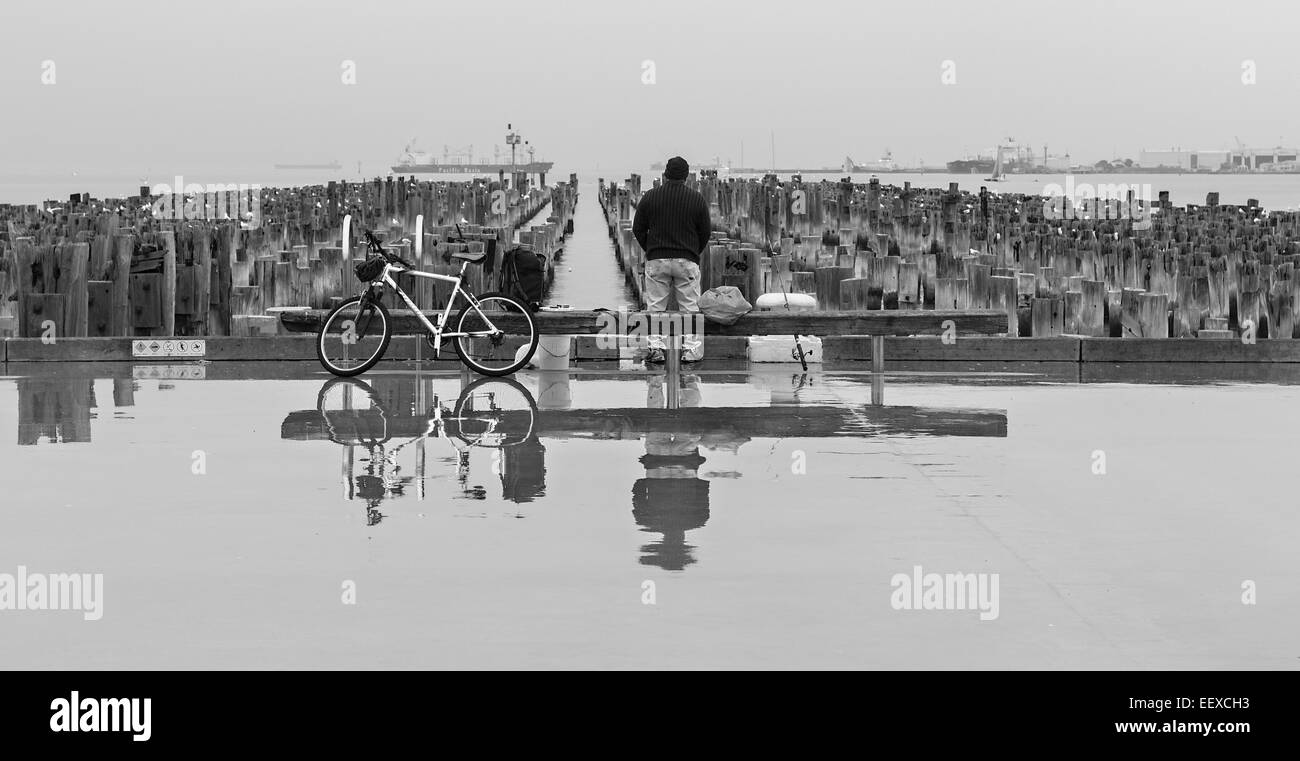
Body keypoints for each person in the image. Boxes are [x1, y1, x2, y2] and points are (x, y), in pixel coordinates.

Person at [632, 156, 712, 364]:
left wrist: (651, 249)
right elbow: (705, 232)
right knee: (690, 308)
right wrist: (693, 251)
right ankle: (691, 351)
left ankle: (656, 348)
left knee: (655, 307)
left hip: (657, 259)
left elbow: (638, 228)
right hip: (687, 259)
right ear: (686, 176)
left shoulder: (650, 197)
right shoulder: (696, 199)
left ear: (665, 175)